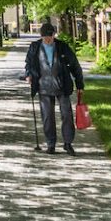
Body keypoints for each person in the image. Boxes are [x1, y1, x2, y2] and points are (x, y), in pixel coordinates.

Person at [21, 21, 85, 154]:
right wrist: (28, 75)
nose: (48, 39)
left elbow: (75, 65)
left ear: (54, 35)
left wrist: (80, 84)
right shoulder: (35, 47)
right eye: (45, 37)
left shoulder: (62, 47)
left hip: (62, 86)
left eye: (50, 36)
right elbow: (29, 63)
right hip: (43, 86)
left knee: (67, 115)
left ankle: (68, 143)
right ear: (41, 36)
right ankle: (51, 144)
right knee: (47, 117)